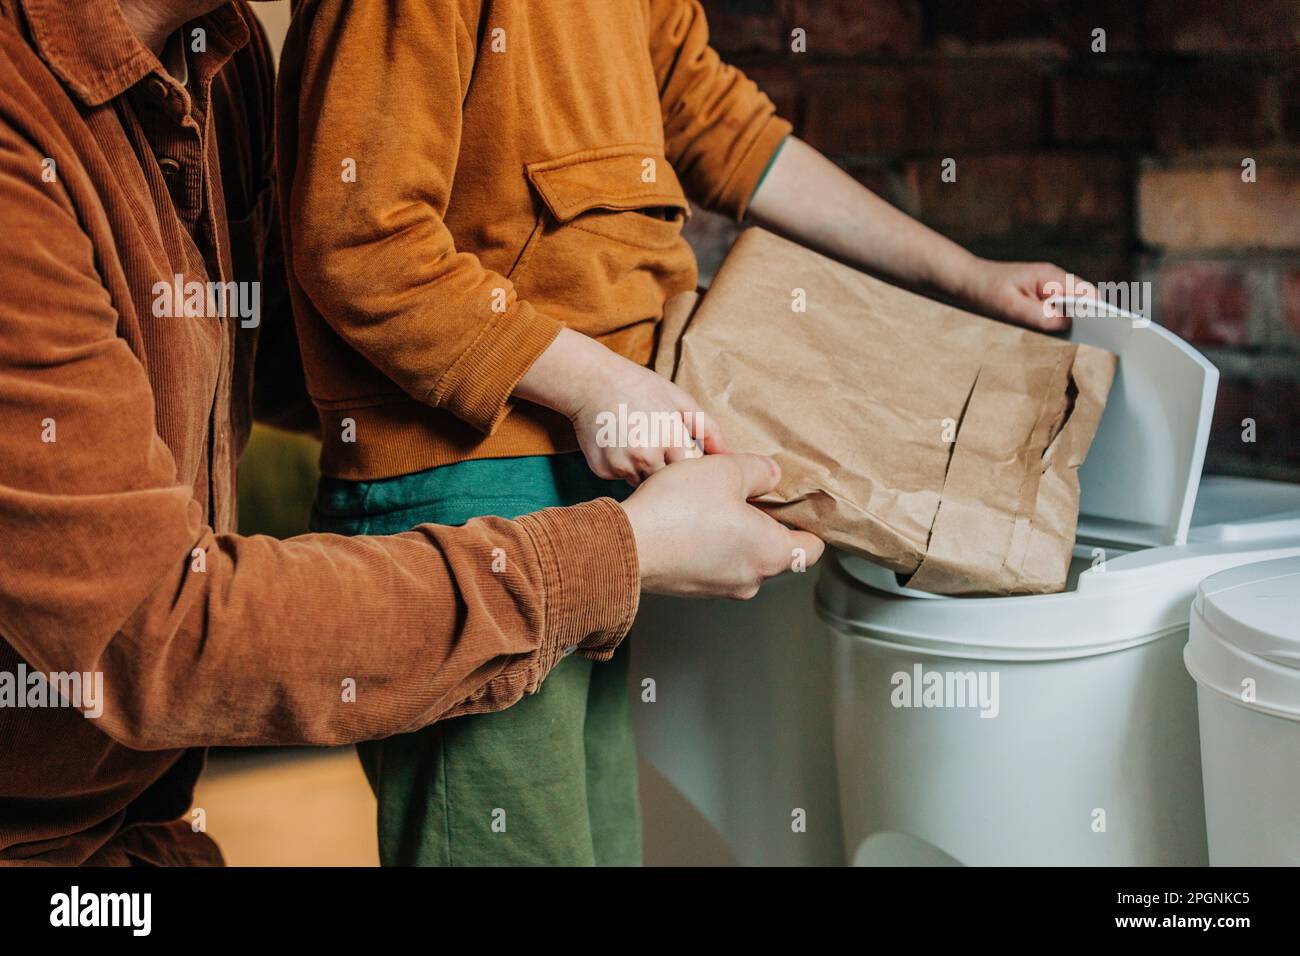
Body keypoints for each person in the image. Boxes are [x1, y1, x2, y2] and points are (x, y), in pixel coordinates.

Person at [0, 0, 819, 867]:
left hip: (133, 830)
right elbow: (157, 634)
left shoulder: (217, 54)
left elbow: (279, 351)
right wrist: (618, 549)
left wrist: (610, 375)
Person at [280, 0, 1091, 866]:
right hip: (466, 487)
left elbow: (722, 126)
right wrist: (597, 384)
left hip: (588, 487)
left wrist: (967, 275)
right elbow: (362, 243)